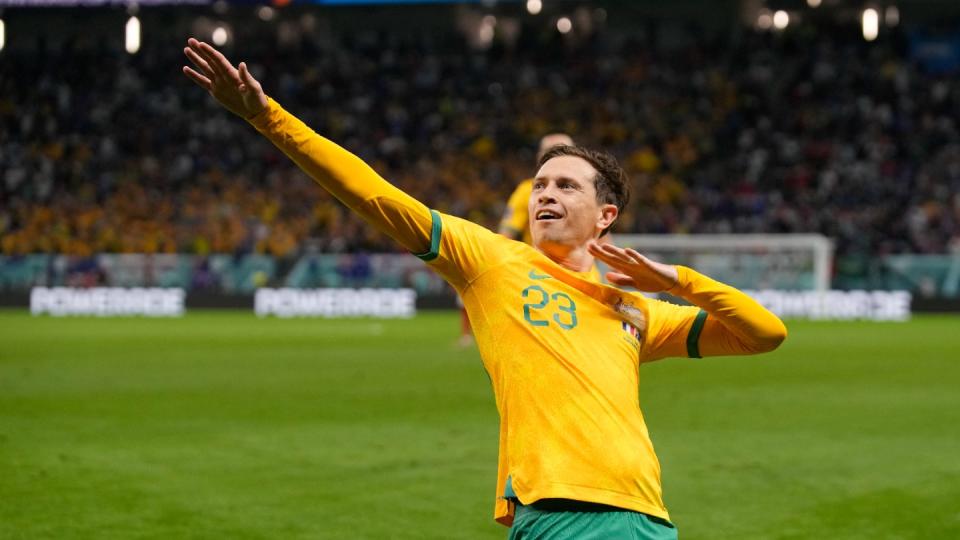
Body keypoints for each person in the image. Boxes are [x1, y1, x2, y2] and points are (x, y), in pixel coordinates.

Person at [183, 38, 787, 539]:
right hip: (561, 511)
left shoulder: (636, 310)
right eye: (540, 184)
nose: (545, 193)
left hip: (650, 517)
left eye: (566, 186)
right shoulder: (492, 262)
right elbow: (373, 194)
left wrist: (679, 281)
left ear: (606, 215)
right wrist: (267, 117)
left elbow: (765, 335)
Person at [499, 133, 574, 244]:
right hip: (539, 259)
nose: (556, 157)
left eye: (564, 151)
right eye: (550, 152)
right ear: (539, 157)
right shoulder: (526, 191)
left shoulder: (589, 187)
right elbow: (505, 237)